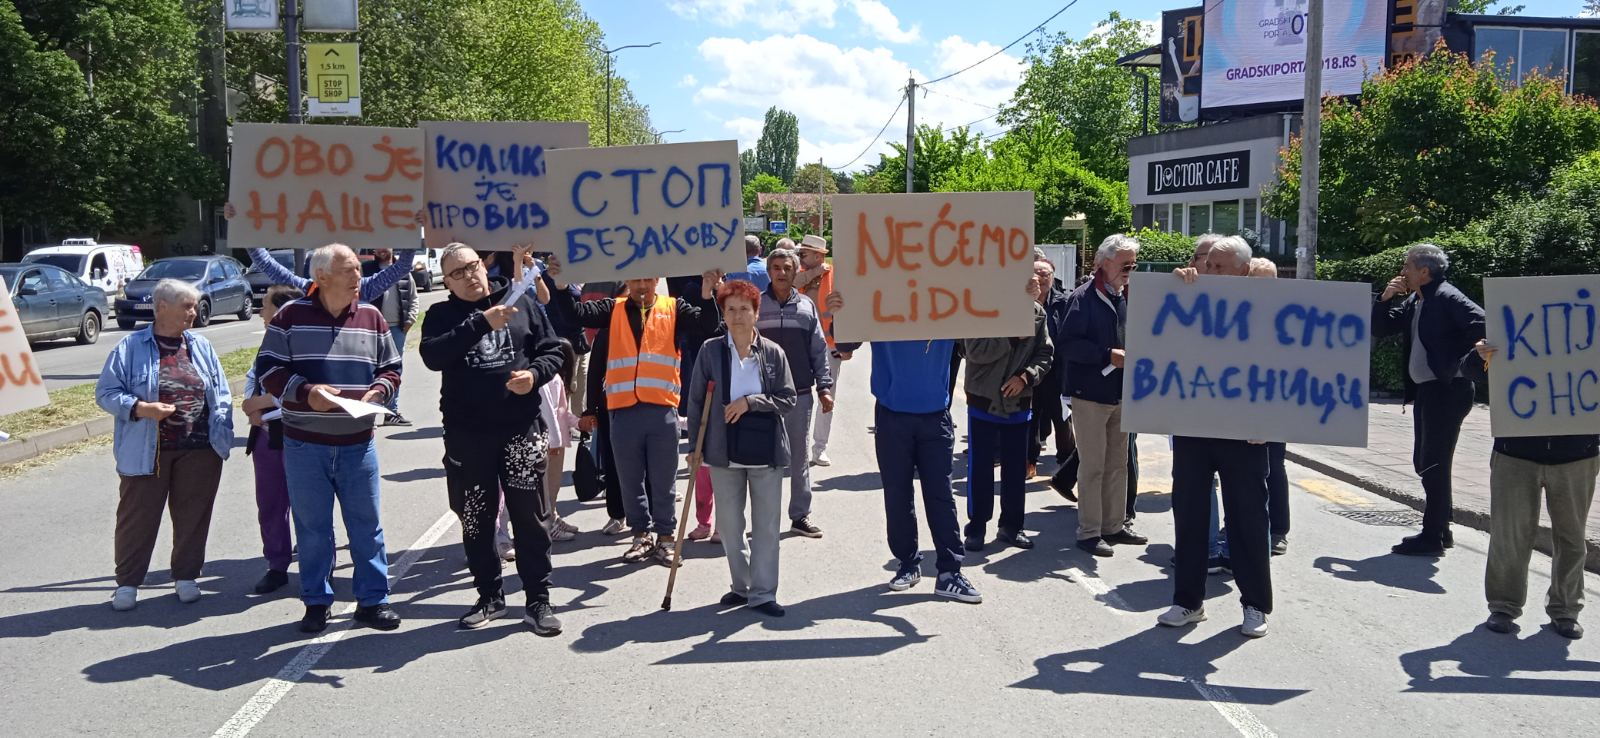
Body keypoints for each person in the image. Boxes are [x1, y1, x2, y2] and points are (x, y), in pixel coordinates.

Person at [824, 277, 1041, 604]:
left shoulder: (949, 303)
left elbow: (995, 317)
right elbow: (845, 347)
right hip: (892, 415)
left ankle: (950, 572)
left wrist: (1023, 300)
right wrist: (840, 313)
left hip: (934, 418)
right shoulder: (879, 300)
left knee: (940, 495)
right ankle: (908, 563)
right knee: (897, 494)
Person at [257, 243, 404, 634]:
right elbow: (268, 368)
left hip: (358, 442)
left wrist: (379, 393)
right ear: (321, 277)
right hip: (305, 443)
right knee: (313, 528)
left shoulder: (372, 317)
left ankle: (373, 601)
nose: (359, 276)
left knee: (367, 525)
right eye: (350, 270)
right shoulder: (290, 316)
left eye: (359, 268)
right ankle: (317, 602)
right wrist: (306, 393)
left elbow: (391, 367)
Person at [419, 244, 565, 635]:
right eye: (456, 273)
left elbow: (554, 350)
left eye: (471, 267)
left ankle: (538, 600)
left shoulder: (522, 301)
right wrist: (481, 322)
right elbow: (433, 356)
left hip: (520, 430)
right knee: (477, 521)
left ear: (483, 266)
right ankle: (489, 596)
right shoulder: (441, 315)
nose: (468, 276)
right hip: (469, 437)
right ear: (446, 281)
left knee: (530, 519)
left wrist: (534, 376)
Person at [550, 262, 723, 566]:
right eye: (635, 278)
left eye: (647, 278)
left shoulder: (674, 308)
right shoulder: (612, 308)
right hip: (623, 411)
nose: (642, 285)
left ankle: (666, 538)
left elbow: (710, 327)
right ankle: (640, 536)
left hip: (661, 411)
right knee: (630, 480)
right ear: (626, 280)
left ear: (657, 278)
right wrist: (562, 286)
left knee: (663, 479)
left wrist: (708, 293)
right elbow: (574, 314)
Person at [1158, 236, 1274, 638]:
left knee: (1248, 520)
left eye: (1220, 267)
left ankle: (1255, 605)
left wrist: (1269, 423)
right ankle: (1188, 601)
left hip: (1245, 432)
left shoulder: (1266, 307)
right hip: (1194, 426)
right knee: (1189, 516)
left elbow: (1284, 370)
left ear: (1244, 270)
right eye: (1207, 264)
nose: (1210, 272)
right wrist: (1171, 291)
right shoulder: (1189, 295)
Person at [95, 279, 234, 612]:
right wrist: (141, 408)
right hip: (149, 449)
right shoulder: (130, 347)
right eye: (186, 306)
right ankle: (127, 584)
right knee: (137, 517)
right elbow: (106, 393)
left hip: (200, 447)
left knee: (193, 514)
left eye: (194, 305)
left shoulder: (201, 345)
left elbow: (222, 389)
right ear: (161, 308)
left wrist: (223, 429)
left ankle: (186, 576)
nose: (193, 312)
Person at [1463, 339, 1594, 640]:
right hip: (1516, 449)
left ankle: (1565, 609)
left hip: (1576, 451)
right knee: (1510, 533)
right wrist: (1480, 355)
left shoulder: (1587, 324)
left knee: (1572, 536)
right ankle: (1503, 606)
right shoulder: (1514, 318)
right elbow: (1469, 369)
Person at [685, 279, 798, 617]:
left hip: (765, 450)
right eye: (730, 309)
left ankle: (763, 593)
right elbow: (694, 401)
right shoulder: (710, 350)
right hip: (723, 451)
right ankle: (742, 585)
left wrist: (751, 402)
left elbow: (788, 398)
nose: (737, 316)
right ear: (723, 313)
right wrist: (694, 447)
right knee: (731, 527)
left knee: (766, 526)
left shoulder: (773, 353)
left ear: (755, 313)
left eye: (744, 309)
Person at [1372, 243, 1486, 556]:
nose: (1403, 272)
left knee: (1432, 463)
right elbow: (1381, 327)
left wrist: (1458, 363)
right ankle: (1441, 529)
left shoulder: (1447, 296)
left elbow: (1482, 323)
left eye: (1408, 266)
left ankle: (1432, 535)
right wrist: (1384, 299)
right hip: (1429, 391)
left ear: (1424, 271)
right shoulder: (1416, 299)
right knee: (1427, 462)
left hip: (1448, 391)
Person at [1057, 235, 1147, 558]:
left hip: (1119, 394)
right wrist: (1107, 355)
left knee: (1118, 464)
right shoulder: (1082, 298)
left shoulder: (1124, 297)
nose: (1130, 270)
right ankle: (1090, 532)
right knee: (1093, 466)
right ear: (1104, 262)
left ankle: (1113, 525)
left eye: (1133, 264)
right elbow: (1067, 345)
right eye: (1126, 264)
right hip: (1090, 396)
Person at [961, 297, 1053, 551]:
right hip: (983, 400)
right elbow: (975, 351)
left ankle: (1011, 527)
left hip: (1018, 403)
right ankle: (976, 527)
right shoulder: (977, 307)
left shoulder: (1036, 312)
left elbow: (1045, 353)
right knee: (980, 468)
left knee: (1015, 470)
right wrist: (1010, 337)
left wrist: (1026, 377)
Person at [759, 246, 834, 538]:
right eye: (776, 268)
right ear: (769, 272)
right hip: (761, 395)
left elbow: (818, 350)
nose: (781, 273)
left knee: (799, 457)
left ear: (795, 272)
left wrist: (824, 387)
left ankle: (800, 515)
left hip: (799, 393)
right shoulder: (756, 305)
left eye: (787, 268)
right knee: (764, 459)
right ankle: (765, 519)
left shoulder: (806, 306)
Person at [243, 285, 305, 595]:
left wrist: (260, 404)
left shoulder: (302, 339)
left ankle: (317, 567)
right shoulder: (267, 342)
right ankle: (277, 565)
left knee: (308, 507)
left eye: (265, 305)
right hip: (266, 438)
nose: (261, 311)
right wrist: (250, 404)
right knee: (270, 505)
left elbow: (300, 392)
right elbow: (253, 379)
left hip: (300, 436)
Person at [794, 234, 855, 467]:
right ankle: (795, 447)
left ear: (818, 255)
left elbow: (849, 310)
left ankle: (820, 448)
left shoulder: (836, 276)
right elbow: (791, 284)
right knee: (797, 398)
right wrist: (812, 273)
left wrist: (847, 345)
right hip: (799, 347)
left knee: (826, 399)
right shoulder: (799, 273)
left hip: (829, 348)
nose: (800, 257)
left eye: (804, 254)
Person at [1248, 257, 1291, 554]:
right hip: (1242, 403)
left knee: (1274, 466)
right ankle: (1247, 525)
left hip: (1274, 403)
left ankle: (1278, 529)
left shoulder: (1285, 315)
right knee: (1245, 470)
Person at [363, 248, 419, 426]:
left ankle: (391, 412)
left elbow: (413, 298)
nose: (380, 249)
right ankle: (368, 414)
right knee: (369, 371)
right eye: (377, 245)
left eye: (384, 244)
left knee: (393, 371)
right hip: (371, 329)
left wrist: (409, 321)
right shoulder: (366, 270)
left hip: (396, 329)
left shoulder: (402, 271)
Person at [1031, 257, 1072, 481]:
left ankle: (1065, 462)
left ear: (1052, 277)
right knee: (1031, 418)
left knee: (1062, 419)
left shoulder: (1064, 301)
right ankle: (1029, 460)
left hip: (1058, 372)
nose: (1040, 278)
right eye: (1035, 273)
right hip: (1032, 370)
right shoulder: (1021, 301)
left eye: (1044, 274)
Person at [539, 338, 583, 542]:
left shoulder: (555, 378)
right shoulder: (551, 380)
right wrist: (554, 443)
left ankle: (554, 517)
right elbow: (550, 414)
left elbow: (563, 413)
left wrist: (579, 423)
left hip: (557, 441)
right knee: (549, 486)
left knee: (553, 486)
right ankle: (549, 526)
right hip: (552, 444)